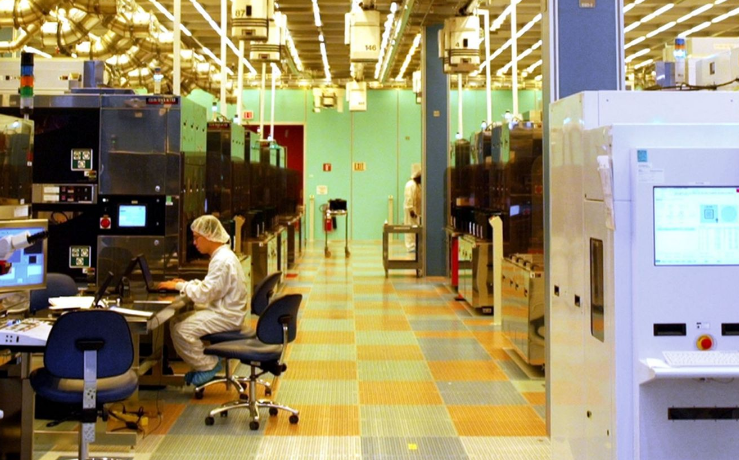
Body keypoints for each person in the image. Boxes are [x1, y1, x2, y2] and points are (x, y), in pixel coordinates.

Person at [158, 215, 248, 387]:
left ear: (209, 236)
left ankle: (209, 365)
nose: (194, 243)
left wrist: (178, 286)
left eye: (196, 237)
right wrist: (186, 284)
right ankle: (203, 364)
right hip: (223, 311)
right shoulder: (221, 256)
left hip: (226, 316)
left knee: (181, 330)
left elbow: (205, 294)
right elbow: (211, 287)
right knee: (176, 321)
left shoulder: (221, 260)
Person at [403, 163, 422, 252]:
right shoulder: (410, 185)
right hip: (411, 210)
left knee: (414, 228)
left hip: (415, 211)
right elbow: (409, 198)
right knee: (410, 228)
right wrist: (411, 210)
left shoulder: (417, 185)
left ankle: (414, 245)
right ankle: (410, 246)